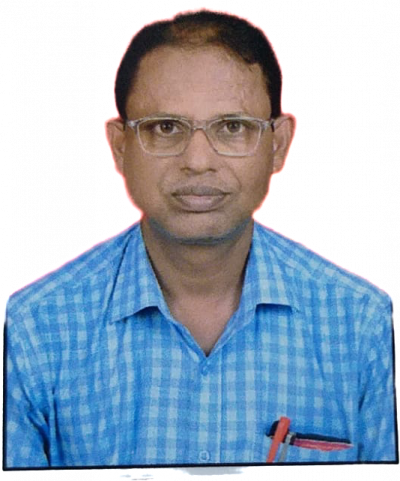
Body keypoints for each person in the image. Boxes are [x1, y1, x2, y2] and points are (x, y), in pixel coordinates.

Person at [4, 6, 397, 470]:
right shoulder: (35, 328)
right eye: (165, 128)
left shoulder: (360, 323)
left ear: (279, 144)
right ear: (118, 146)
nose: (197, 161)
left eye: (232, 127)